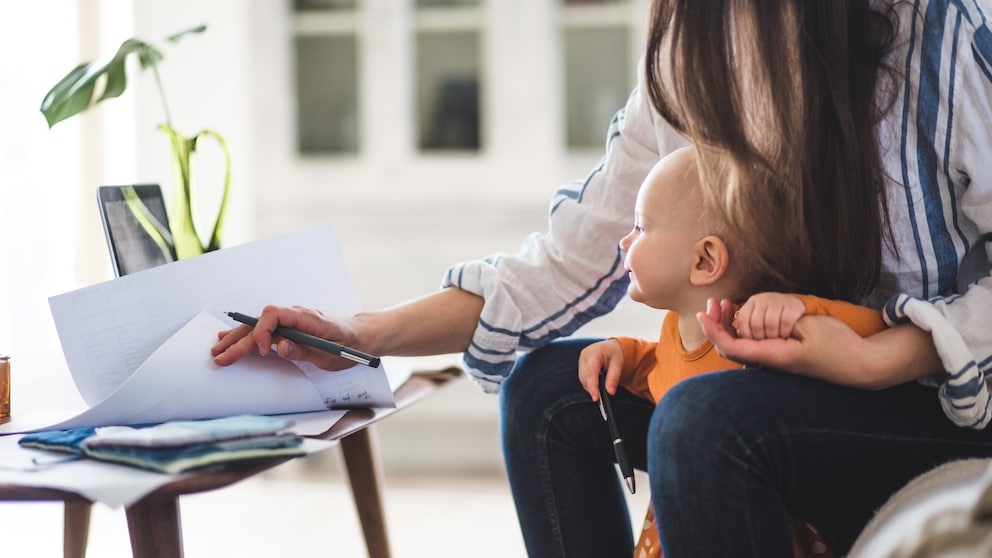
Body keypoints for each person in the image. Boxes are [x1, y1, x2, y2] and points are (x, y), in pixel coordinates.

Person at [211, 0, 992, 556]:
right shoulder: (695, 49)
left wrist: (883, 356)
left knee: (701, 420)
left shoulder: (942, 38)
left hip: (924, 404)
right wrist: (361, 334)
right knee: (549, 391)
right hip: (765, 384)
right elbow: (567, 261)